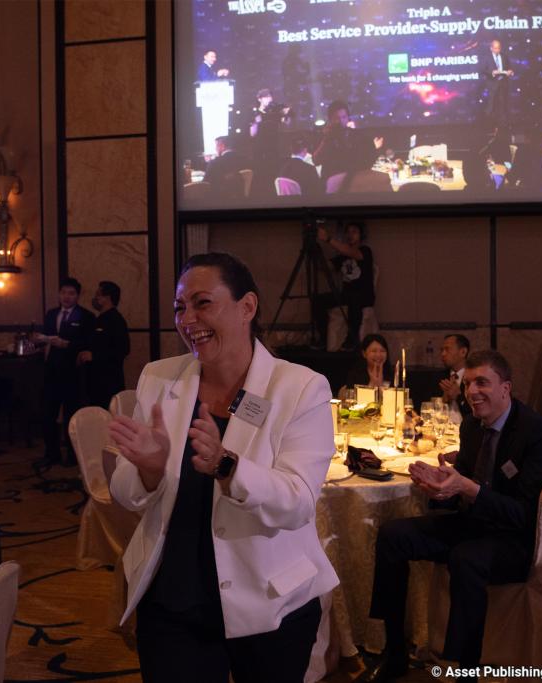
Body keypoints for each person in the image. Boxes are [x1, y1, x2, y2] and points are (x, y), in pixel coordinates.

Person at [107, 252, 337, 683]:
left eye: (203, 303)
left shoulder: (300, 387)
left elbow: (298, 502)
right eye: (180, 307)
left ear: (247, 307)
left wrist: (226, 465)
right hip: (174, 596)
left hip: (270, 600)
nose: (187, 319)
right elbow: (124, 491)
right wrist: (149, 470)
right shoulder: (158, 378)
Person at [362, 350, 542, 681]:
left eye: (482, 382)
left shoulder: (537, 433)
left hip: (516, 538)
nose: (471, 392)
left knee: (465, 558)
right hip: (475, 523)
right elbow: (463, 489)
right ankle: (394, 651)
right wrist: (440, 489)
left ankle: (465, 669)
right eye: (467, 384)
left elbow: (527, 515)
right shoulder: (471, 426)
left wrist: (468, 489)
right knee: (393, 536)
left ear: (506, 388)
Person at [38, 277, 96, 465]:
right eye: (63, 292)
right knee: (48, 414)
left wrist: (67, 344)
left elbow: (88, 343)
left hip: (73, 372)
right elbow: (45, 336)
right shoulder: (51, 314)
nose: (66, 297)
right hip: (51, 371)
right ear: (59, 294)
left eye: (71, 293)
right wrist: (40, 339)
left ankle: (73, 455)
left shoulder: (86, 316)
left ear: (77, 296)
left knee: (72, 416)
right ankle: (51, 454)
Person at [313, 221, 376, 350]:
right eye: (348, 232)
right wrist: (316, 251)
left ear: (361, 235)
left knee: (354, 299)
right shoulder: (342, 256)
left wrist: (328, 239)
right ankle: (323, 338)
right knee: (318, 301)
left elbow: (352, 253)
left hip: (363, 296)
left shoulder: (365, 251)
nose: (350, 235)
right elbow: (326, 267)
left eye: (354, 232)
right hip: (346, 295)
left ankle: (352, 340)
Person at [80, 280, 130, 408]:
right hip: (94, 383)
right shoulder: (98, 319)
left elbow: (123, 350)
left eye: (98, 295)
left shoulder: (116, 321)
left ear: (107, 298)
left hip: (108, 383)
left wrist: (94, 356)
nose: (95, 298)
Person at [311, 101, 381, 191]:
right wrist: (327, 139)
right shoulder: (323, 136)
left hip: (353, 182)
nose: (341, 121)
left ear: (348, 118)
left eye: (344, 117)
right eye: (336, 118)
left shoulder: (356, 135)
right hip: (331, 184)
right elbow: (316, 160)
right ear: (330, 119)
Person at [248, 88, 291, 197]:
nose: (269, 99)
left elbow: (287, 123)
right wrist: (257, 122)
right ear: (259, 99)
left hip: (274, 149)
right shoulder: (255, 113)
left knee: (274, 174)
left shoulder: (274, 113)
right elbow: (252, 133)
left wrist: (286, 114)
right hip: (261, 151)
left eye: (270, 97)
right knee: (262, 176)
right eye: (266, 97)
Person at [438, 334, 471, 423]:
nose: (443, 354)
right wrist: (444, 401)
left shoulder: (473, 377)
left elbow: (477, 414)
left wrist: (459, 396)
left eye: (447, 349)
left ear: (463, 352)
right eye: (442, 350)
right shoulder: (439, 377)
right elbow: (429, 407)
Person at [482, 40, 514, 122]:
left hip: (503, 83)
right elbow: (482, 70)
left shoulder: (504, 56)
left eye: (499, 48)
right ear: (491, 48)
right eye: (495, 48)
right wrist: (492, 72)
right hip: (492, 84)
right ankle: (489, 122)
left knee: (503, 104)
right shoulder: (486, 58)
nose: (497, 50)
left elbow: (509, 67)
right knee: (491, 105)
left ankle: (503, 123)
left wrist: (510, 71)